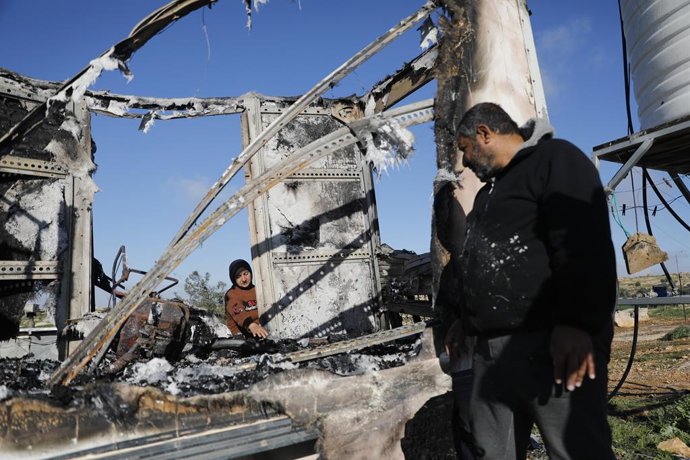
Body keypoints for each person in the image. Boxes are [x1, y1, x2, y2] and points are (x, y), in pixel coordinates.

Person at [445, 102, 617, 459]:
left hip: (550, 345)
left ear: (484, 134)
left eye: (464, 149)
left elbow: (583, 243)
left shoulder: (555, 160)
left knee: (577, 450)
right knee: (490, 452)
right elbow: (479, 264)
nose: (464, 162)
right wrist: (463, 319)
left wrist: (575, 324)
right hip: (490, 356)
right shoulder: (487, 195)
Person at [225, 259, 269, 339]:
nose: (244, 279)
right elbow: (239, 313)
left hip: (261, 333)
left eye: (246, 274)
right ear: (233, 279)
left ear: (251, 273)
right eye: (238, 276)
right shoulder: (231, 294)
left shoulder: (258, 289)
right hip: (241, 338)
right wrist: (251, 325)